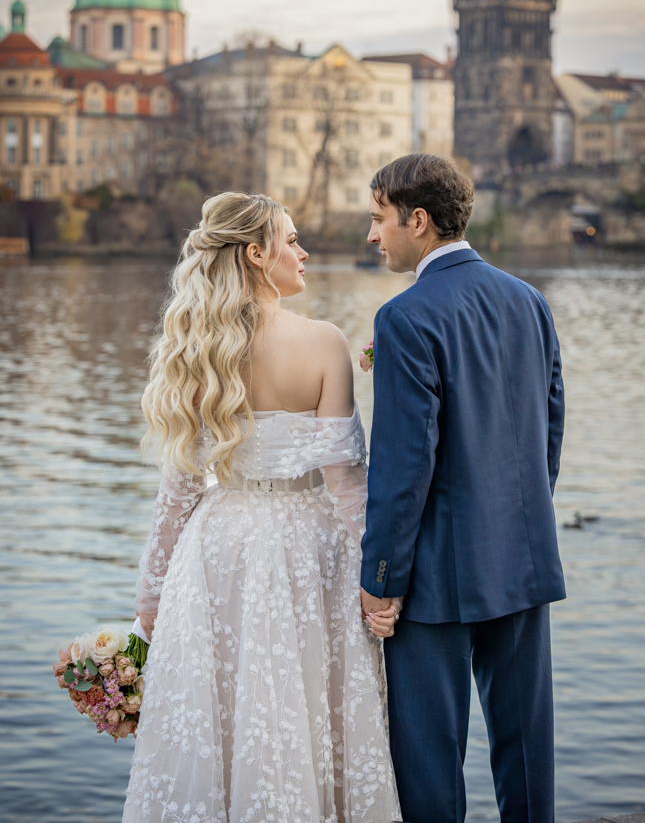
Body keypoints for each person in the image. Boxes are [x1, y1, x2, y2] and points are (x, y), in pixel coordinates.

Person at [123, 192, 401, 823]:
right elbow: (346, 483)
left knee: (223, 715)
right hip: (311, 551)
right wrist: (377, 581)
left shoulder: (196, 348)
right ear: (254, 254)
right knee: (311, 710)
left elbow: (178, 492)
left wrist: (151, 593)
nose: (304, 253)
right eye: (292, 240)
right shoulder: (324, 342)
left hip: (219, 550)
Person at [360, 153, 566, 823]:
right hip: (521, 557)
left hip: (434, 576)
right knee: (526, 749)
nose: (372, 235)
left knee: (429, 763)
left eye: (379, 218)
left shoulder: (404, 317)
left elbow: (402, 468)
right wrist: (522, 520)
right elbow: (550, 428)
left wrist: (381, 576)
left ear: (417, 220)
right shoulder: (528, 300)